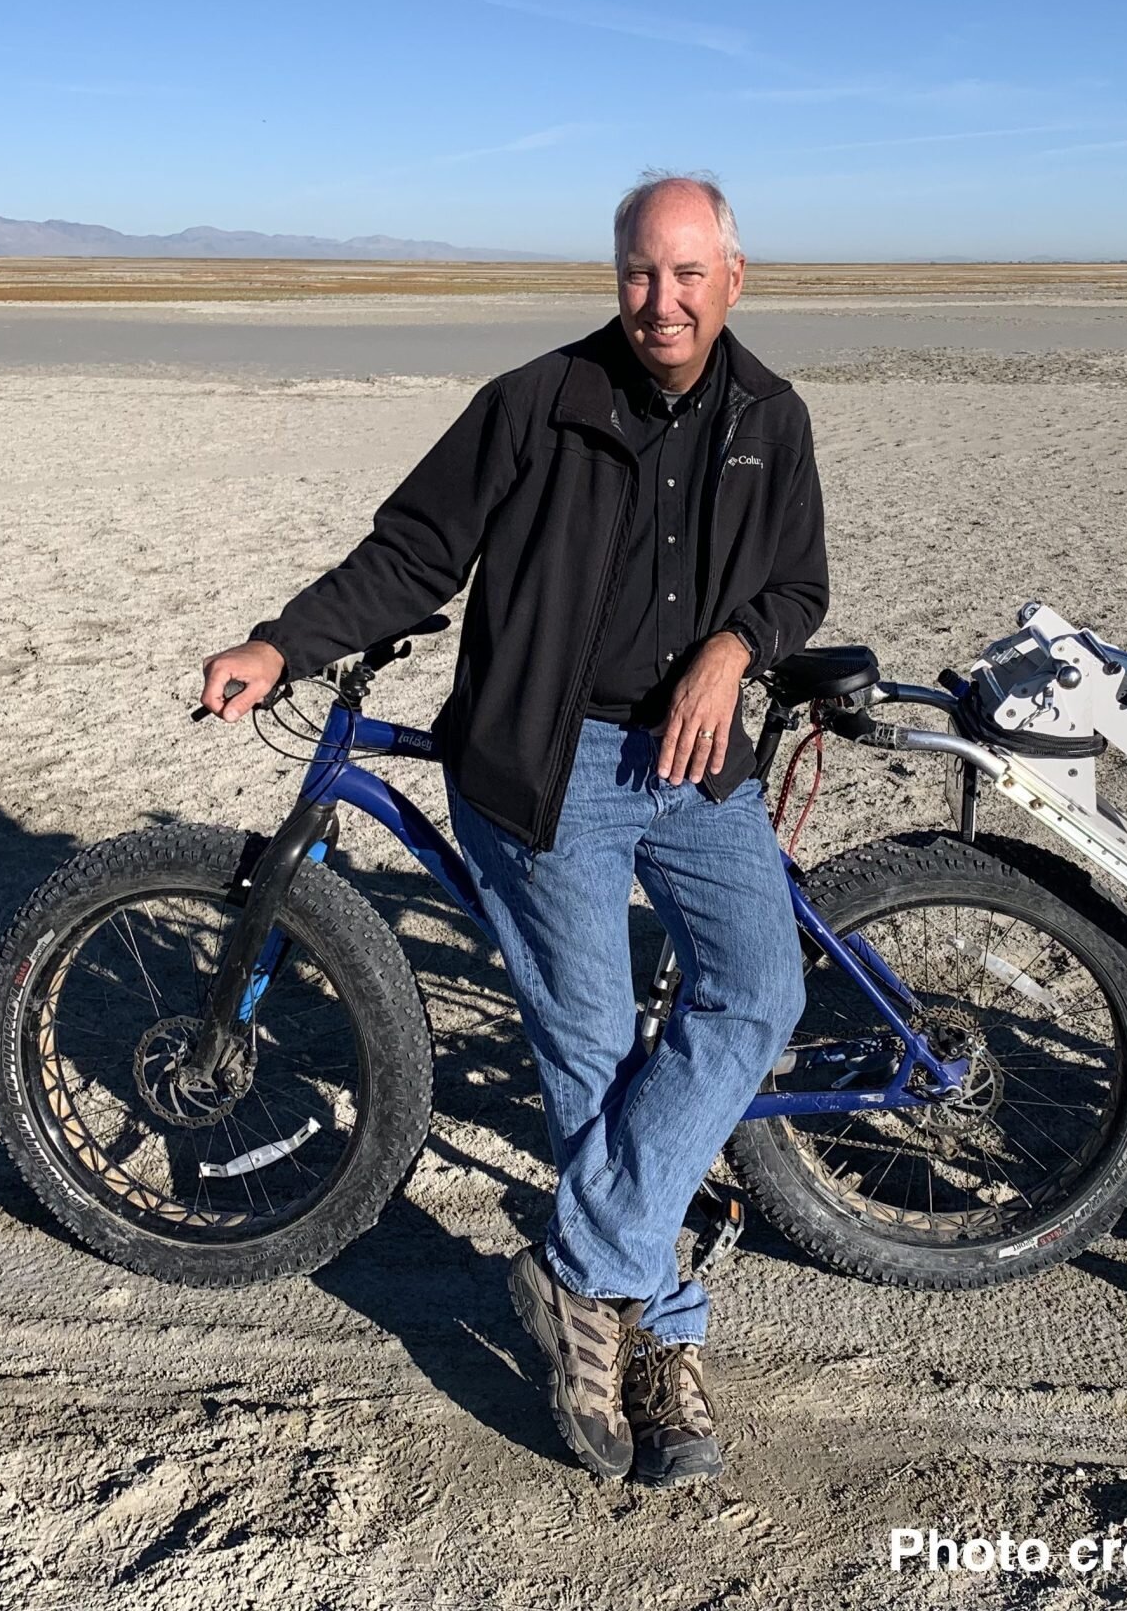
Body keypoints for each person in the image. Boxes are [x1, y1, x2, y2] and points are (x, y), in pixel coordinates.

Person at [199, 173, 823, 1487]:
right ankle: (661, 1340)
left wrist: (732, 650)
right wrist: (284, 639)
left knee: (758, 993)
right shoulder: (536, 406)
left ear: (734, 277)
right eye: (642, 274)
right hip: (552, 771)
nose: (664, 300)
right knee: (595, 1060)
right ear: (616, 275)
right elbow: (414, 555)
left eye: (689, 274)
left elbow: (797, 583)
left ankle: (580, 1273)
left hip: (698, 765)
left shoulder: (772, 416)